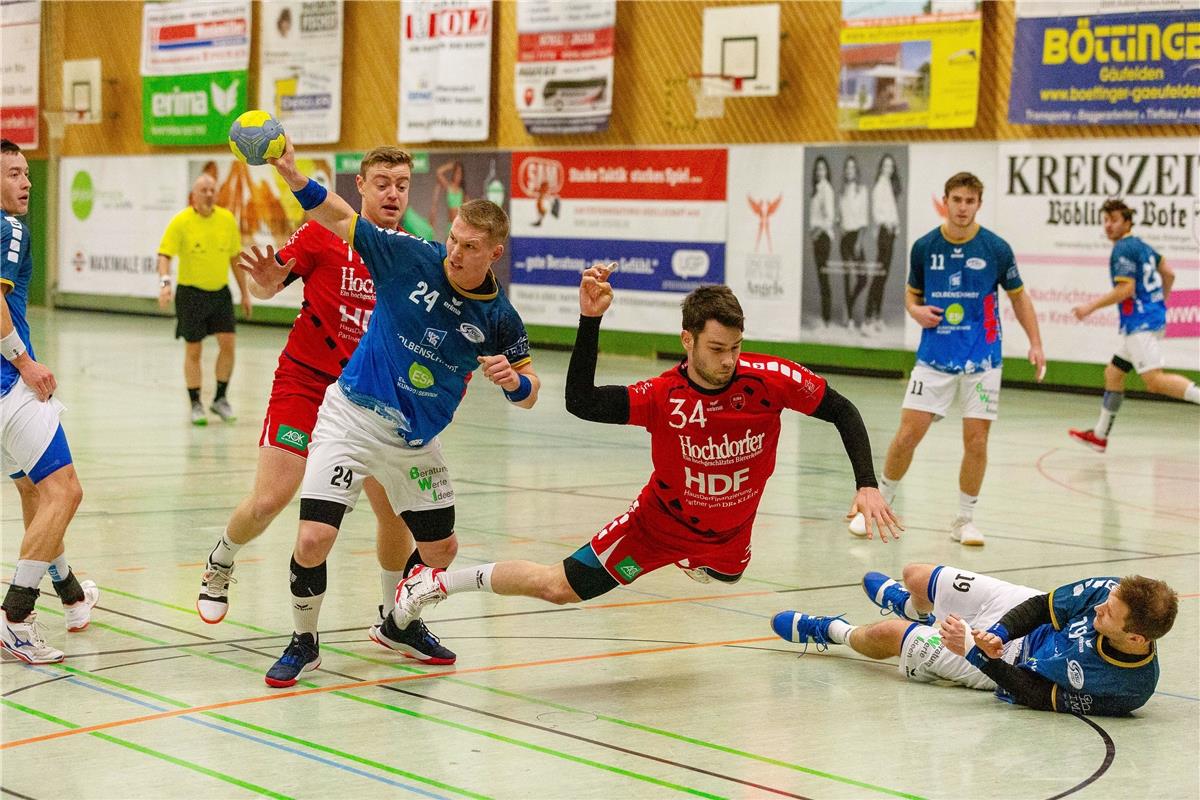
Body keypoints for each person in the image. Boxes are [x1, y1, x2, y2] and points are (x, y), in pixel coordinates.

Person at [388, 266, 901, 647]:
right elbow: (580, 401)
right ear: (687, 339)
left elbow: (842, 409)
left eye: (737, 347)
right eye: (718, 348)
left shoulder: (767, 379)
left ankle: (697, 560)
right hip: (658, 526)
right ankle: (436, 582)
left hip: (728, 537)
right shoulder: (663, 396)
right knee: (557, 587)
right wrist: (590, 321)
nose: (729, 360)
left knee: (730, 576)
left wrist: (866, 483)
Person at [261, 138, 540, 687]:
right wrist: (294, 178)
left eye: (469, 248)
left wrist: (514, 383)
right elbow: (337, 214)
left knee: (441, 551)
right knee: (314, 538)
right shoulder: (410, 257)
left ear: (494, 254)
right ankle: (303, 640)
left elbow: (531, 391)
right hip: (351, 417)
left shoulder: (500, 318)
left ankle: (397, 623)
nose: (455, 253)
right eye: (454, 239)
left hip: (414, 441)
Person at [196, 148, 452, 644]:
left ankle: (395, 618)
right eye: (382, 182)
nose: (393, 192)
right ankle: (221, 559)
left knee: (392, 511)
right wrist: (267, 283)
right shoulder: (323, 232)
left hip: (371, 398)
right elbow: (272, 283)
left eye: (401, 183)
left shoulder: (417, 253)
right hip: (306, 383)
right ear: (360, 185)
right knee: (272, 498)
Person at [850, 171, 1046, 547]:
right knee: (908, 434)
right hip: (934, 358)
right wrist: (916, 311)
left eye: (969, 201)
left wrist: (1035, 342)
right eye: (956, 200)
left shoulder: (996, 248)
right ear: (946, 201)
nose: (962, 207)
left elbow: (1019, 297)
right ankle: (879, 504)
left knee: (977, 441)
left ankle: (964, 520)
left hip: (984, 358)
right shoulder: (925, 247)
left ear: (978, 205)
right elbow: (912, 296)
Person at [771, 564, 1177, 717]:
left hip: (1010, 670)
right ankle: (916, 609)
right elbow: (1040, 606)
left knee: (887, 636)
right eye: (1106, 600)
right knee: (916, 574)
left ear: (1135, 637)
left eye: (1109, 613)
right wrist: (996, 633)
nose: (1099, 609)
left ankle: (831, 631)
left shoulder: (1127, 689)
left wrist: (975, 652)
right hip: (1017, 624)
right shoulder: (1107, 592)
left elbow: (1035, 695)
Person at [0, 139, 99, 664]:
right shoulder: (9, 229)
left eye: (26, 172)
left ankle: (72, 597)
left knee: (36, 495)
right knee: (64, 493)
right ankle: (15, 617)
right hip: (9, 386)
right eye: (14, 173)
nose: (26, 182)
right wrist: (24, 362)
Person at [1068, 198, 1199, 452]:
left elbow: (1126, 289)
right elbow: (1169, 273)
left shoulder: (1123, 249)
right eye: (1105, 220)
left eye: (1114, 220)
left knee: (1154, 381)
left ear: (1127, 222)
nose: (1108, 225)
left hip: (1140, 324)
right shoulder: (1143, 246)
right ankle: (1100, 435)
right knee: (1114, 373)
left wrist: (1089, 307)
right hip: (1147, 319)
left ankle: (1100, 435)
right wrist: (1159, 301)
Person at [157, 173, 251, 425]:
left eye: (212, 190)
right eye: (204, 190)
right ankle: (196, 402)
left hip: (219, 293)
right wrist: (165, 284)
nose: (209, 194)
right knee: (194, 350)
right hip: (190, 294)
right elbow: (164, 255)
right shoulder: (181, 222)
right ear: (194, 195)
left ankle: (220, 398)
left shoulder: (227, 220)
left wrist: (244, 293)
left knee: (228, 343)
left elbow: (234, 258)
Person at [864, 154, 901, 336]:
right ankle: (868, 319)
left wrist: (895, 226)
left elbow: (892, 211)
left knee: (883, 276)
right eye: (886, 165)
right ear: (881, 167)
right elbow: (877, 213)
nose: (889, 168)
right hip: (884, 233)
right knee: (879, 276)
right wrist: (887, 224)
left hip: (891, 233)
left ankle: (876, 317)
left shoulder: (888, 186)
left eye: (891, 166)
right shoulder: (880, 186)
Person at [838, 155, 868, 331]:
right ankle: (849, 317)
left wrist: (859, 241)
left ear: (856, 171)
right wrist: (839, 225)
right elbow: (838, 217)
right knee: (847, 278)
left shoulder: (862, 190)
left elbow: (863, 218)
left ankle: (848, 307)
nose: (849, 171)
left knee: (862, 278)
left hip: (857, 236)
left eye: (852, 168)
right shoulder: (841, 192)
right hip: (845, 237)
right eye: (847, 168)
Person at [809, 156, 836, 332]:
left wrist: (817, 232)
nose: (820, 172)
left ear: (827, 172)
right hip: (816, 237)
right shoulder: (817, 189)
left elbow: (830, 217)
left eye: (823, 169)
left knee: (823, 278)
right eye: (818, 169)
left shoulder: (826, 189)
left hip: (823, 237)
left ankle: (826, 319)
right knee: (821, 278)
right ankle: (824, 317)